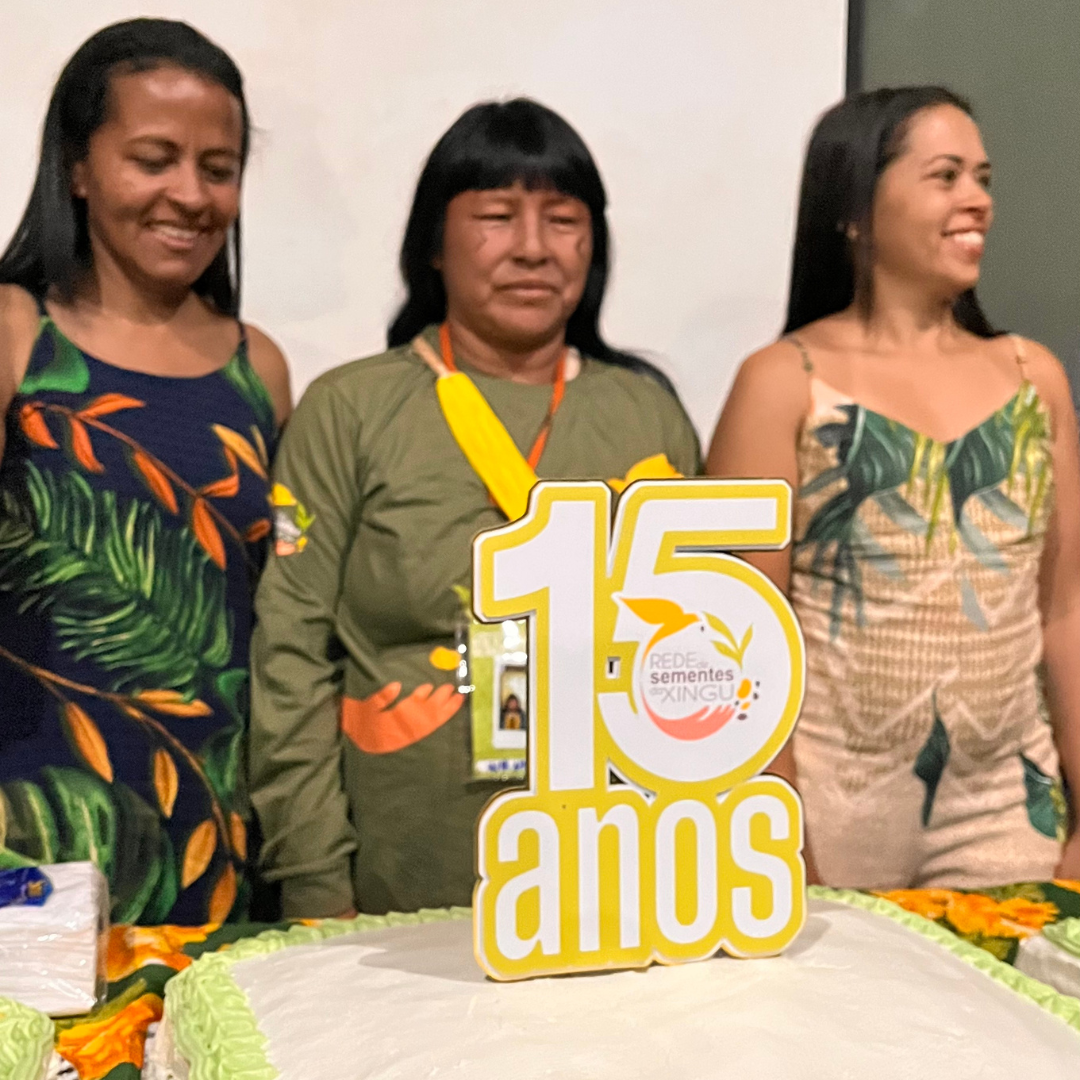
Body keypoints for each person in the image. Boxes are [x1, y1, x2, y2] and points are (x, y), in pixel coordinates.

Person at [250, 98, 701, 918]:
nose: (532, 248)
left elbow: (696, 653)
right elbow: (291, 652)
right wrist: (312, 873)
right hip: (393, 879)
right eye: (496, 216)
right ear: (433, 242)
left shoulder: (650, 416)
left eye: (563, 219)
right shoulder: (350, 408)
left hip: (613, 873)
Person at [708, 86, 1080, 889]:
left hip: (1007, 813)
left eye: (982, 177)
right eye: (945, 176)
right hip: (827, 815)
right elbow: (742, 636)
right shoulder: (782, 382)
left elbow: (1065, 613)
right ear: (855, 208)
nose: (976, 199)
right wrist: (770, 827)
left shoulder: (1033, 378)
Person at [0, 19, 291, 925]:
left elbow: (280, 609)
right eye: (153, 158)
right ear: (77, 169)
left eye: (219, 167)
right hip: (31, 844)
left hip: (219, 843)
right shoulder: (14, 332)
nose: (190, 194)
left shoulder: (262, 367)